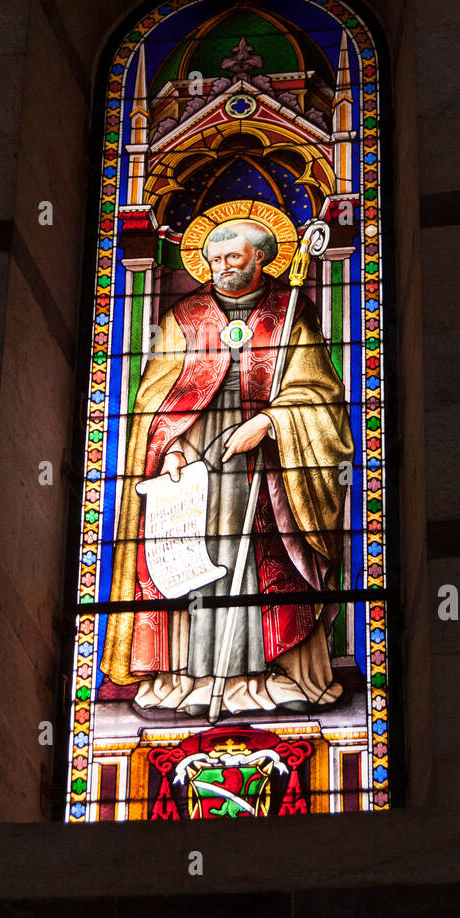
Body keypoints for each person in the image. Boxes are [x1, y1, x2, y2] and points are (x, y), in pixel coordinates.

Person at [101, 218, 355, 717]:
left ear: (260, 258)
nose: (221, 268)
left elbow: (319, 394)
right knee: (197, 561)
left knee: (263, 562)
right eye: (215, 260)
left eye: (232, 258)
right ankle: (191, 678)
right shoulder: (186, 315)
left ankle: (264, 677)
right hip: (198, 458)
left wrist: (273, 421)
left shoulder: (289, 311)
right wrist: (168, 446)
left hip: (270, 464)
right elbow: (156, 397)